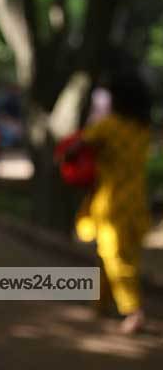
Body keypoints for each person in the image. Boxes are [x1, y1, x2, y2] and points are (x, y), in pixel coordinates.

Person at [70, 72, 152, 334]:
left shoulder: (109, 126)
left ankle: (133, 310)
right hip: (137, 202)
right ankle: (100, 302)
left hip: (112, 204)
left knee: (115, 256)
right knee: (120, 254)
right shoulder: (143, 129)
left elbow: (77, 145)